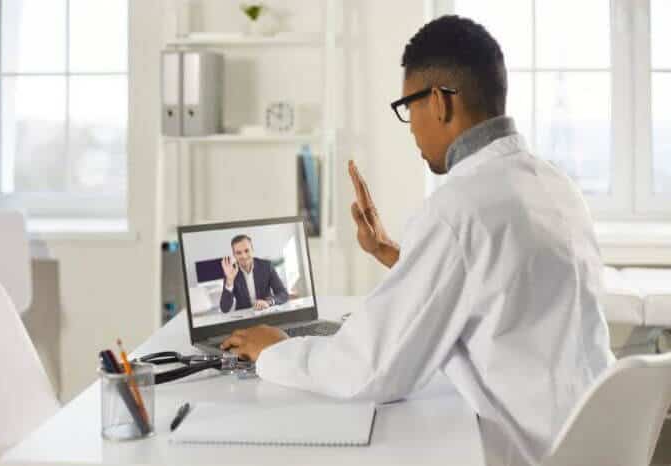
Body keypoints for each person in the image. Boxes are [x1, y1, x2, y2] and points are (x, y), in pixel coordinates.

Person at [220, 15, 615, 466]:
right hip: (590, 439)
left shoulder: (460, 208)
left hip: (533, 453)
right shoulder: (552, 184)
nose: (409, 126)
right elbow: (499, 284)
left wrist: (275, 350)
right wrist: (391, 253)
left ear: (439, 103)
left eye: (409, 107)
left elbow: (373, 369)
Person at [219, 234, 288, 313]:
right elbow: (224, 308)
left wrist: (268, 302)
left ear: (252, 250)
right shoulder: (230, 271)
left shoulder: (266, 266)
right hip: (245, 318)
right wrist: (230, 281)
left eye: (246, 251)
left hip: (266, 312)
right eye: (238, 253)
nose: (244, 256)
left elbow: (283, 294)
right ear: (234, 255)